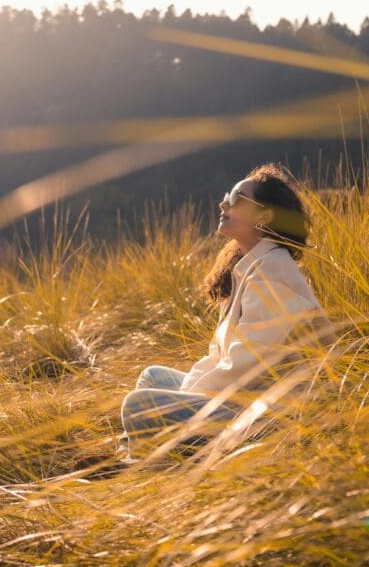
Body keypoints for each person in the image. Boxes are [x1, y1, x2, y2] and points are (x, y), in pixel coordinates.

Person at [115, 163, 330, 464]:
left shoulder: (272, 269)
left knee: (138, 405)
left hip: (263, 414)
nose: (223, 203)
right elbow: (221, 357)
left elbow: (247, 364)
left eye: (236, 199)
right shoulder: (251, 266)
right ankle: (130, 456)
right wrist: (189, 391)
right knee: (153, 376)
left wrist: (193, 396)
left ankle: (141, 463)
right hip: (241, 398)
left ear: (264, 215)